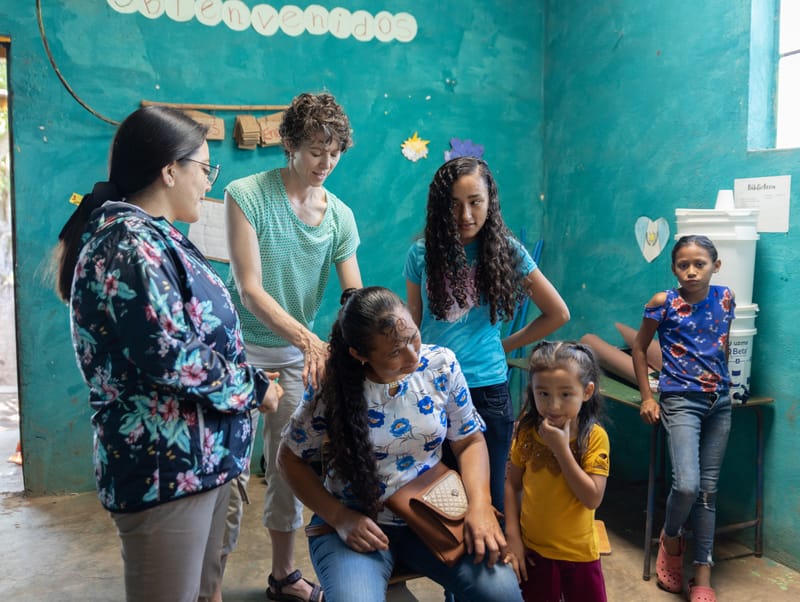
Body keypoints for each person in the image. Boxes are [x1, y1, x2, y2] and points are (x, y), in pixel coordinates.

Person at [53, 105, 281, 602]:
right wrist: (254, 388)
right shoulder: (130, 246)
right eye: (204, 168)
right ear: (170, 170)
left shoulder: (158, 238)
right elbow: (168, 354)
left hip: (202, 460)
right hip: (166, 468)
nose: (208, 182)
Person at [276, 286, 523, 602]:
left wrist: (480, 505)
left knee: (503, 594)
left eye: (413, 337)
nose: (412, 355)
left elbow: (470, 440)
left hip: (435, 511)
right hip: (357, 521)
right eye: (395, 352)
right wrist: (339, 517)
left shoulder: (441, 364)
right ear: (359, 354)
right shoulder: (331, 386)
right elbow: (289, 459)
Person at [224, 92, 361, 602]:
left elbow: (353, 296)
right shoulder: (247, 195)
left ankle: (283, 576)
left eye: (334, 153)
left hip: (295, 361)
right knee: (227, 474)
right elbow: (249, 290)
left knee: (289, 468)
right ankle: (206, 586)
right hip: (237, 353)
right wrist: (310, 341)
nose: (325, 163)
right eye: (315, 151)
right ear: (290, 145)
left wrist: (360, 339)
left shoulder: (339, 217)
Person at [405, 156, 570, 513]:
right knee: (439, 502)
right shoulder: (420, 254)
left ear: (489, 201)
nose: (465, 215)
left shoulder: (508, 251)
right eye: (454, 204)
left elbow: (557, 313)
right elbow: (413, 326)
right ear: (439, 207)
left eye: (474, 202)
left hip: (486, 390)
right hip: (431, 388)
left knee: (489, 501)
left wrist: (503, 345)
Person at [631, 235, 735, 602]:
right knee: (687, 485)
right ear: (674, 269)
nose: (691, 271)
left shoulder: (726, 298)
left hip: (720, 402)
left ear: (715, 266)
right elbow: (639, 348)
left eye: (700, 264)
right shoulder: (663, 302)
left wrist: (726, 383)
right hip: (680, 402)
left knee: (707, 491)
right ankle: (671, 538)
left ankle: (702, 572)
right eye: (683, 265)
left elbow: (721, 343)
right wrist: (648, 397)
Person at [504, 341, 610, 601]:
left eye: (565, 394)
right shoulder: (527, 431)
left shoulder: (594, 438)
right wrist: (513, 537)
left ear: (587, 392)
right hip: (533, 552)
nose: (553, 406)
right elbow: (512, 485)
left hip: (579, 556)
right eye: (543, 393)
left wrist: (561, 450)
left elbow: (592, 498)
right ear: (532, 391)